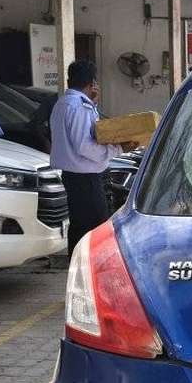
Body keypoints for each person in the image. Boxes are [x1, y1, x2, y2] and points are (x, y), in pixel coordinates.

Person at [50, 61, 132, 255]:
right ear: (92, 83)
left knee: (79, 227)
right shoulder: (79, 106)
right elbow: (84, 146)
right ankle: (91, 273)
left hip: (73, 175)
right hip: (85, 177)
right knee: (95, 229)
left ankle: (77, 270)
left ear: (70, 80)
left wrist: (93, 103)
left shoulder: (63, 103)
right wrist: (118, 149)